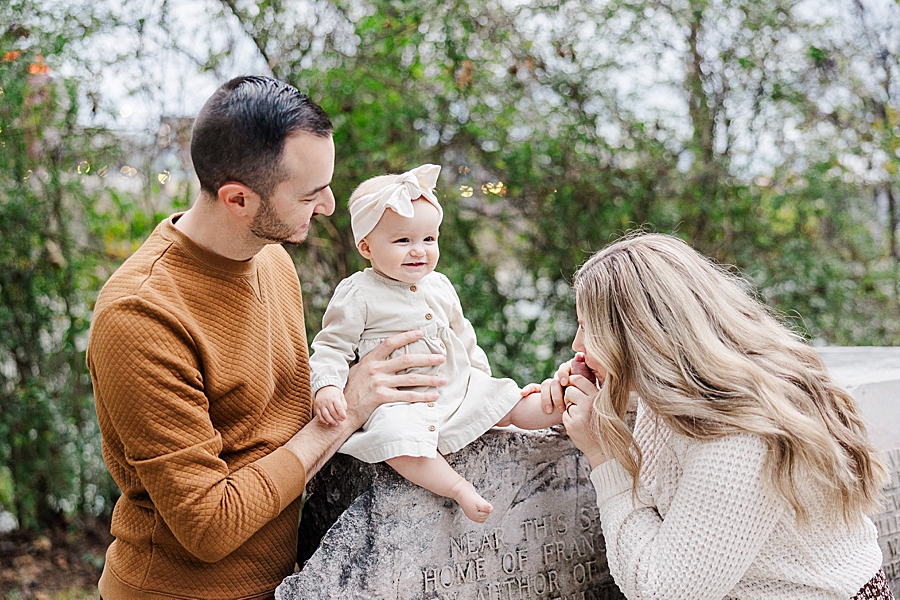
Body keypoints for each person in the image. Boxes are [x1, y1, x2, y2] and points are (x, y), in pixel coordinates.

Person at [86, 76, 446, 600]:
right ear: (238, 199)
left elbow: (286, 425)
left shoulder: (272, 259)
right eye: (309, 193)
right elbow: (208, 526)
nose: (327, 205)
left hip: (289, 579)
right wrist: (349, 406)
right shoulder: (140, 317)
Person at [542, 233, 893, 600]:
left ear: (636, 338)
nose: (576, 345)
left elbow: (660, 591)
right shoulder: (680, 389)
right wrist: (584, 391)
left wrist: (603, 456)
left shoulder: (738, 435)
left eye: (588, 328)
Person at [309, 164, 562, 522]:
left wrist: (480, 378)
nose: (419, 251)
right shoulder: (358, 293)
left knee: (506, 402)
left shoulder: (439, 285)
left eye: (429, 239)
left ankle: (566, 405)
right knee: (395, 441)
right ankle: (457, 487)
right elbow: (332, 347)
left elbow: (463, 335)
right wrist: (329, 388)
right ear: (366, 246)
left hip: (453, 382)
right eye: (403, 241)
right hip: (399, 399)